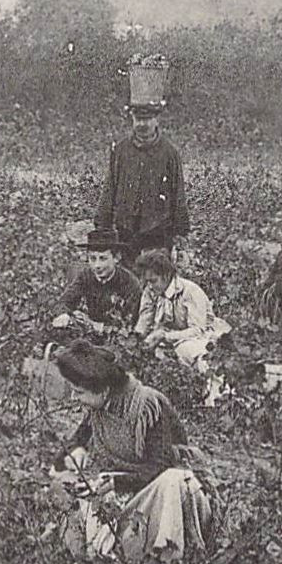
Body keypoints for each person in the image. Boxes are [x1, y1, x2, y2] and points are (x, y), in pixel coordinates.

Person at [49, 339, 212, 562]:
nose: (74, 398)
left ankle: (168, 557)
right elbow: (74, 442)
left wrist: (116, 483)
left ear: (103, 390)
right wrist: (75, 452)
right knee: (61, 483)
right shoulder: (98, 409)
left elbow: (161, 467)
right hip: (131, 492)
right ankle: (121, 548)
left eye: (78, 392)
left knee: (174, 479)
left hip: (168, 495)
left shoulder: (147, 406)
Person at [93, 101, 189, 260]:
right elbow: (110, 189)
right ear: (132, 119)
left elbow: (178, 194)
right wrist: (103, 225)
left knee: (155, 280)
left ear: (157, 119)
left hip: (158, 235)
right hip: (126, 234)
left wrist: (180, 235)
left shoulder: (169, 153)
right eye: (138, 119)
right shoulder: (121, 151)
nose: (142, 124)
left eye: (147, 119)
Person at [132, 249, 230, 373]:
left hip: (200, 339)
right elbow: (144, 320)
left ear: (166, 275)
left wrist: (165, 336)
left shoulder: (190, 291)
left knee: (193, 353)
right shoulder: (150, 291)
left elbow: (198, 330)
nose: (150, 286)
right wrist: (136, 341)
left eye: (153, 281)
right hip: (168, 341)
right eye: (147, 281)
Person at [49, 228, 142, 334]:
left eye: (103, 258)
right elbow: (63, 302)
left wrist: (91, 323)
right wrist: (64, 314)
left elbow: (128, 326)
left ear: (116, 258)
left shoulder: (129, 283)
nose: (97, 265)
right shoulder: (85, 276)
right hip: (88, 337)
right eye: (92, 259)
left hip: (117, 342)